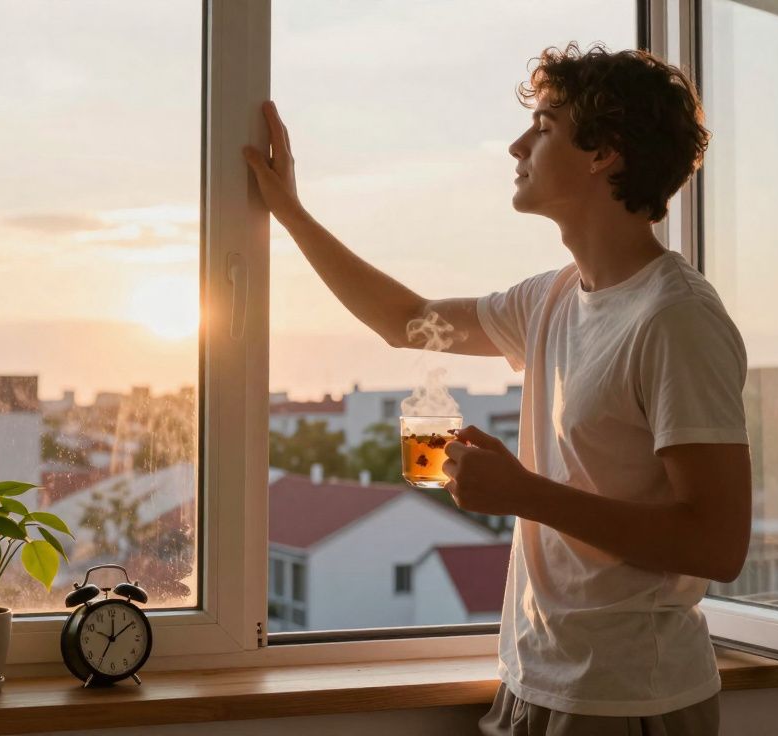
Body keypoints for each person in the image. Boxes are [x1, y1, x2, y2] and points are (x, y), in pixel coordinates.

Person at [244, 42, 751, 736]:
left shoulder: (676, 318)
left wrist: (522, 494)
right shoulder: (551, 298)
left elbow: (717, 544)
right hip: (532, 678)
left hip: (629, 697)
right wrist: (290, 213)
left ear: (604, 153)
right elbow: (406, 321)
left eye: (543, 126)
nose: (517, 145)